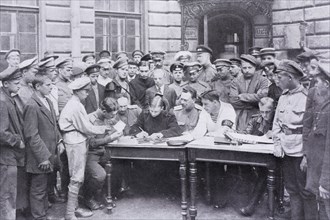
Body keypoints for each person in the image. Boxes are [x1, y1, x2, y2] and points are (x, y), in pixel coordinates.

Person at [273, 60, 318, 220]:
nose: (277, 80)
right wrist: (277, 143)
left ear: (290, 77)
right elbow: (277, 122)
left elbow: (311, 128)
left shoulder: (307, 97)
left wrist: (307, 155)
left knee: (306, 190)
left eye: (280, 77)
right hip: (286, 148)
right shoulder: (283, 96)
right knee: (291, 188)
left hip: (301, 149)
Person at [59, 77, 110, 219]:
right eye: (85, 91)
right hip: (75, 141)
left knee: (76, 176)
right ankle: (70, 213)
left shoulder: (76, 104)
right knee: (76, 177)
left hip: (77, 140)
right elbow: (86, 128)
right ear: (78, 91)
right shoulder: (75, 106)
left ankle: (74, 208)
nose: (87, 94)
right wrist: (103, 129)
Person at [23, 74, 65, 220]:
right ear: (37, 87)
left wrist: (59, 141)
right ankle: (38, 216)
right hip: (39, 156)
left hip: (50, 152)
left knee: (45, 185)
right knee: (38, 188)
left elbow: (54, 125)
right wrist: (43, 157)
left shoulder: (47, 101)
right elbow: (31, 134)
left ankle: (43, 211)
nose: (51, 87)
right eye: (48, 85)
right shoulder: (32, 105)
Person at [83, 97, 123, 210]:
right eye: (112, 114)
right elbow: (91, 143)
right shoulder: (90, 119)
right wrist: (110, 138)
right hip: (91, 154)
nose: (113, 117)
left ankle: (103, 195)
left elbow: (120, 127)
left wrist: (119, 131)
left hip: (106, 153)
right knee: (100, 175)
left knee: (120, 167)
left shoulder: (110, 117)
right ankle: (88, 197)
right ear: (104, 111)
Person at [302, 61, 330, 220]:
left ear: (326, 84)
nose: (314, 88)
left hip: (326, 176)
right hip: (318, 169)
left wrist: (326, 183)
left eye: (317, 83)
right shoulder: (323, 106)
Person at [239, 97, 275, 216]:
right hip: (254, 154)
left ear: (273, 109)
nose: (264, 115)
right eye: (262, 112)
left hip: (272, 158)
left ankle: (252, 205)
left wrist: (275, 134)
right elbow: (246, 134)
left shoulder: (277, 121)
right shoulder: (255, 119)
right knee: (241, 166)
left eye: (267, 112)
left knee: (264, 173)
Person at [0, 67, 25, 220]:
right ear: (6, 83)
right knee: (7, 195)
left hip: (11, 157)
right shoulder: (3, 102)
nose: (19, 85)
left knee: (9, 193)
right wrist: (18, 141)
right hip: (6, 157)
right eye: (16, 82)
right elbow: (1, 132)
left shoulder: (9, 98)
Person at [229, 54, 268, 131]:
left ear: (255, 68)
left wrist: (242, 96)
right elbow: (233, 100)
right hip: (241, 116)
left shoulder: (262, 80)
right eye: (244, 68)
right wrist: (255, 99)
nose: (247, 70)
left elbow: (263, 97)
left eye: (250, 68)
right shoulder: (236, 81)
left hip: (258, 115)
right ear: (241, 68)